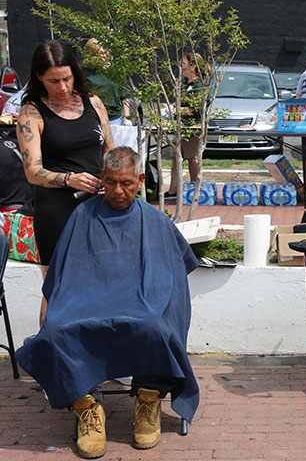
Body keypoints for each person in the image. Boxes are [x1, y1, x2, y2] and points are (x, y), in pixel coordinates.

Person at [15, 146, 200, 459]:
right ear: (102, 177)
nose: (118, 190)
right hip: (86, 302)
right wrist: (49, 304)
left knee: (154, 326)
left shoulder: (155, 221)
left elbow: (175, 276)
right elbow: (62, 272)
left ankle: (148, 398)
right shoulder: (82, 215)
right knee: (58, 329)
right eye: (111, 181)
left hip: (143, 303)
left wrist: (162, 305)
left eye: (126, 183)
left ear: (140, 180)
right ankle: (86, 406)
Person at [17, 40, 115, 326]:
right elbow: (33, 172)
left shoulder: (93, 103)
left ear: (76, 72)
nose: (62, 87)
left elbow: (109, 149)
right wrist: (69, 180)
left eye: (67, 78)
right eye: (54, 81)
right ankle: (52, 357)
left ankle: (94, 356)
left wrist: (113, 180)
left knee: (100, 280)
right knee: (57, 287)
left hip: (98, 204)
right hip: (57, 208)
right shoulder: (31, 113)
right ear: (39, 77)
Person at [165, 52, 209, 199]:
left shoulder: (198, 86)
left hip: (193, 128)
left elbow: (196, 109)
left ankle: (195, 191)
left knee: (193, 159)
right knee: (176, 158)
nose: (181, 67)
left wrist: (176, 110)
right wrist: (171, 107)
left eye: (184, 64)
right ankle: (173, 191)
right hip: (181, 127)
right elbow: (182, 103)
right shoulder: (185, 84)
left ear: (193, 66)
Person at [83, 38, 130, 124]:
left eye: (104, 53)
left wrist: (126, 118)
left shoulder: (115, 70)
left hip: (114, 119)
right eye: (98, 53)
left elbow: (124, 95)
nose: (103, 56)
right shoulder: (84, 72)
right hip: (92, 118)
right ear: (91, 54)